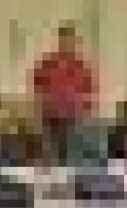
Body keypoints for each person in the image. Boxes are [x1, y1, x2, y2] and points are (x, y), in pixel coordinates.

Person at [31, 23, 99, 165]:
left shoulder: (81, 66)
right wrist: (39, 110)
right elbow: (38, 89)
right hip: (51, 117)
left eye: (70, 40)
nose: (67, 44)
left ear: (74, 42)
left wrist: (86, 114)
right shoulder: (48, 64)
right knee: (52, 153)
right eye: (64, 40)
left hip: (74, 117)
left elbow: (89, 93)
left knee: (73, 153)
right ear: (60, 41)